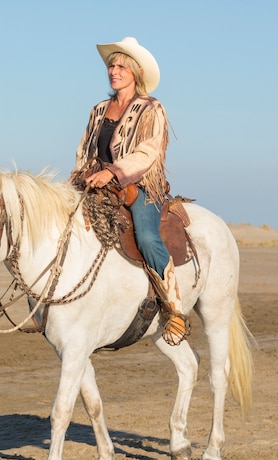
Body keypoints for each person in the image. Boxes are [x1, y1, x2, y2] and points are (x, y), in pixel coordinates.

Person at [73, 36, 188, 346]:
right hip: (99, 185)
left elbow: (148, 152)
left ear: (136, 72)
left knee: (147, 237)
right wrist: (80, 176)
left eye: (122, 65)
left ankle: (174, 307)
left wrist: (113, 171)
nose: (115, 69)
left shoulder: (152, 108)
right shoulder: (98, 110)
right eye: (112, 64)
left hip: (139, 188)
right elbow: (84, 151)